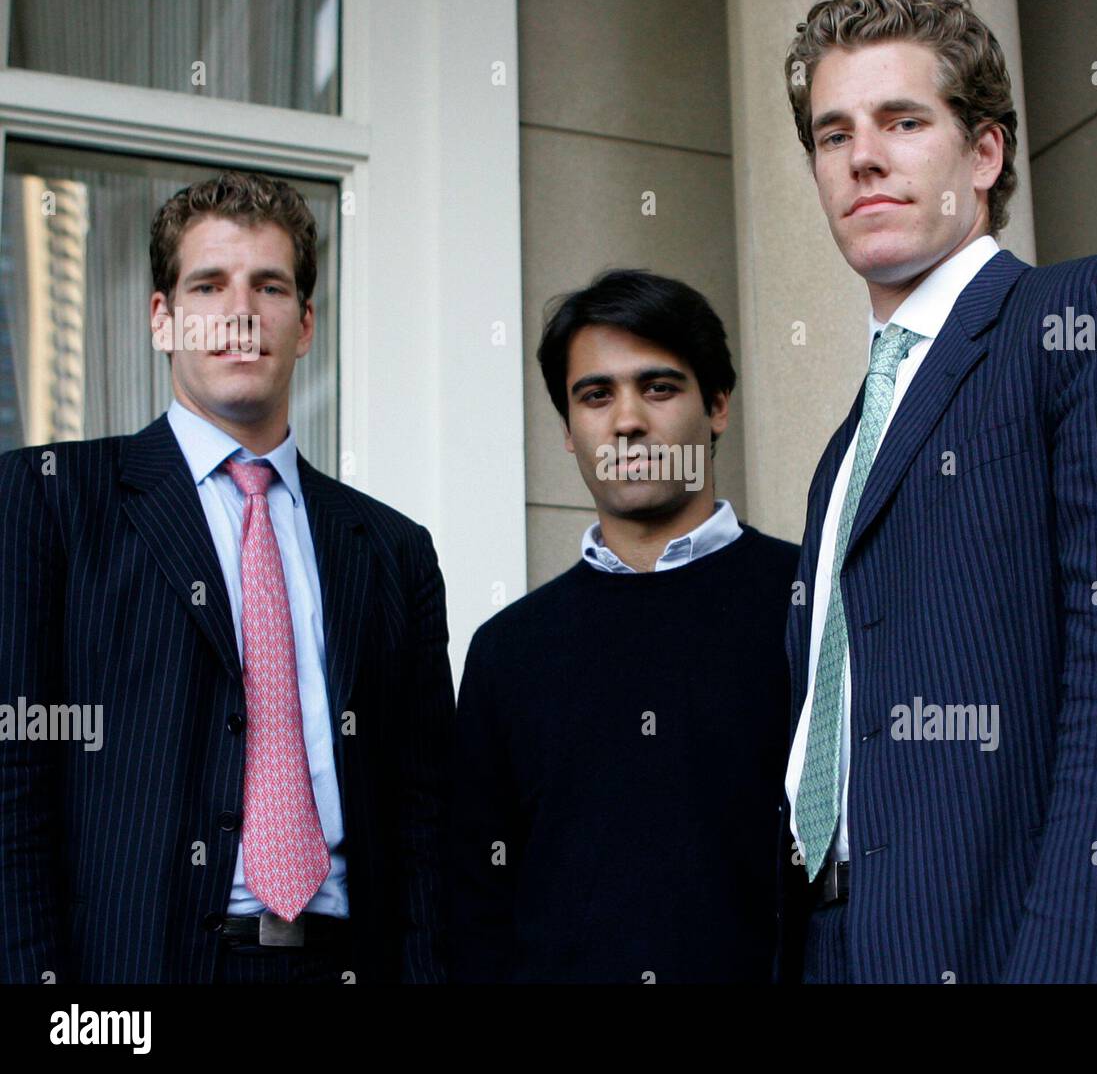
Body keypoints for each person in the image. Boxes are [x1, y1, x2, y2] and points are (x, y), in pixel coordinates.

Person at [780, 0, 1097, 983]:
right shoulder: (842, 453)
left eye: (903, 120)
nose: (861, 155)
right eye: (831, 133)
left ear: (983, 151)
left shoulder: (1095, 316)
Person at [0, 171, 455, 983]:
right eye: (208, 285)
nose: (240, 313)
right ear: (161, 319)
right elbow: (11, 789)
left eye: (268, 286)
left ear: (305, 323)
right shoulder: (50, 503)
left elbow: (424, 820)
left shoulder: (392, 550)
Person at [451, 269, 799, 982]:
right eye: (596, 395)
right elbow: (474, 906)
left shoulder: (810, 602)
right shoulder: (508, 653)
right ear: (569, 433)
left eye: (660, 387)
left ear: (719, 406)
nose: (628, 419)